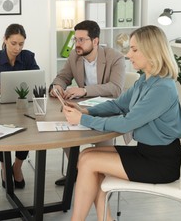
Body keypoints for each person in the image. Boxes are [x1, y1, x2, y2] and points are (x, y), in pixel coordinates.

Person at [62, 25, 181, 221]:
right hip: (146, 152)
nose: (128, 54)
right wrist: (85, 110)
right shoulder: (144, 81)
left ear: (152, 51)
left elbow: (126, 123)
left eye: (134, 49)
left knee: (90, 161)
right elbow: (118, 105)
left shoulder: (162, 88)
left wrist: (83, 120)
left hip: (161, 162)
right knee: (86, 156)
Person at [49, 20, 126, 186]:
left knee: (101, 145)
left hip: (107, 112)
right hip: (81, 108)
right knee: (65, 134)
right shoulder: (74, 56)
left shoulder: (115, 58)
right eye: (75, 39)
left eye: (82, 40)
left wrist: (84, 90)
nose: (77, 44)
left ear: (95, 41)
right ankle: (77, 171)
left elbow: (116, 88)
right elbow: (63, 77)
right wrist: (57, 87)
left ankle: (100, 177)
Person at [0, 23, 40, 189]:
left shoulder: (28, 57)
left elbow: (38, 79)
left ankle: (17, 166)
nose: (17, 48)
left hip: (22, 107)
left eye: (21, 44)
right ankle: (5, 167)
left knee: (27, 130)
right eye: (13, 43)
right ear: (5, 40)